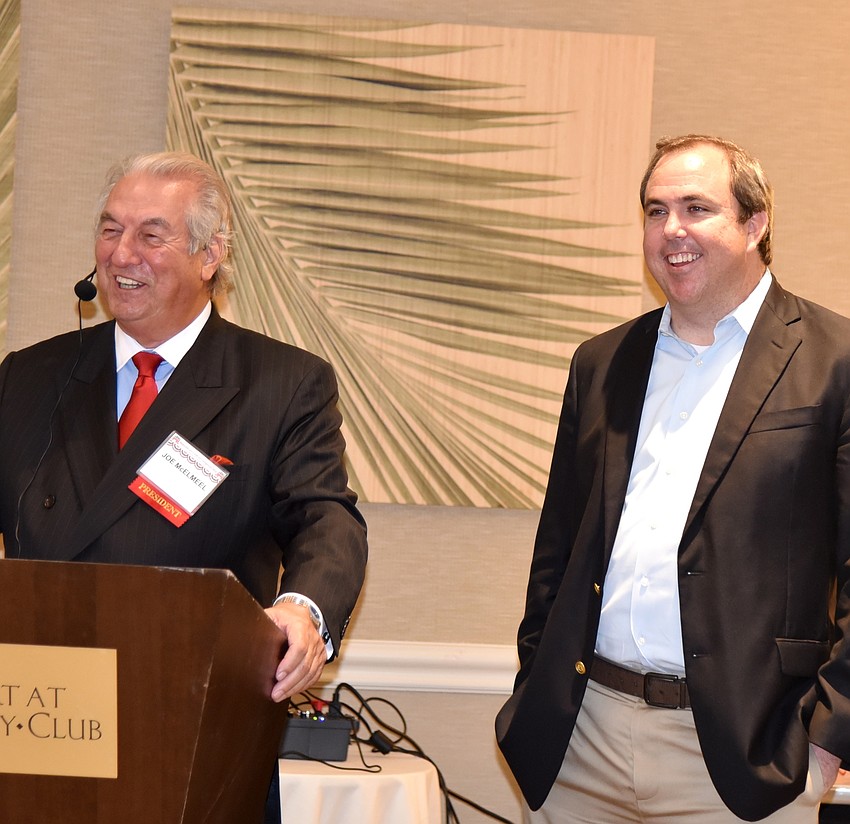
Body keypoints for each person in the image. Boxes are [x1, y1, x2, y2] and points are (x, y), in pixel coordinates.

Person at [0, 152, 367, 823]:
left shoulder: (280, 383)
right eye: (110, 230)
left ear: (209, 256)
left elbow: (325, 518)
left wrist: (302, 610)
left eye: (150, 234)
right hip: (43, 719)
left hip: (195, 721)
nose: (122, 255)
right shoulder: (29, 377)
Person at [496, 134, 850, 822]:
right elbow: (557, 553)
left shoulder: (833, 362)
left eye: (696, 207)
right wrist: (531, 682)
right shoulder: (601, 362)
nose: (671, 230)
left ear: (755, 222)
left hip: (743, 758)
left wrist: (829, 737)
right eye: (656, 211)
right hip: (581, 743)